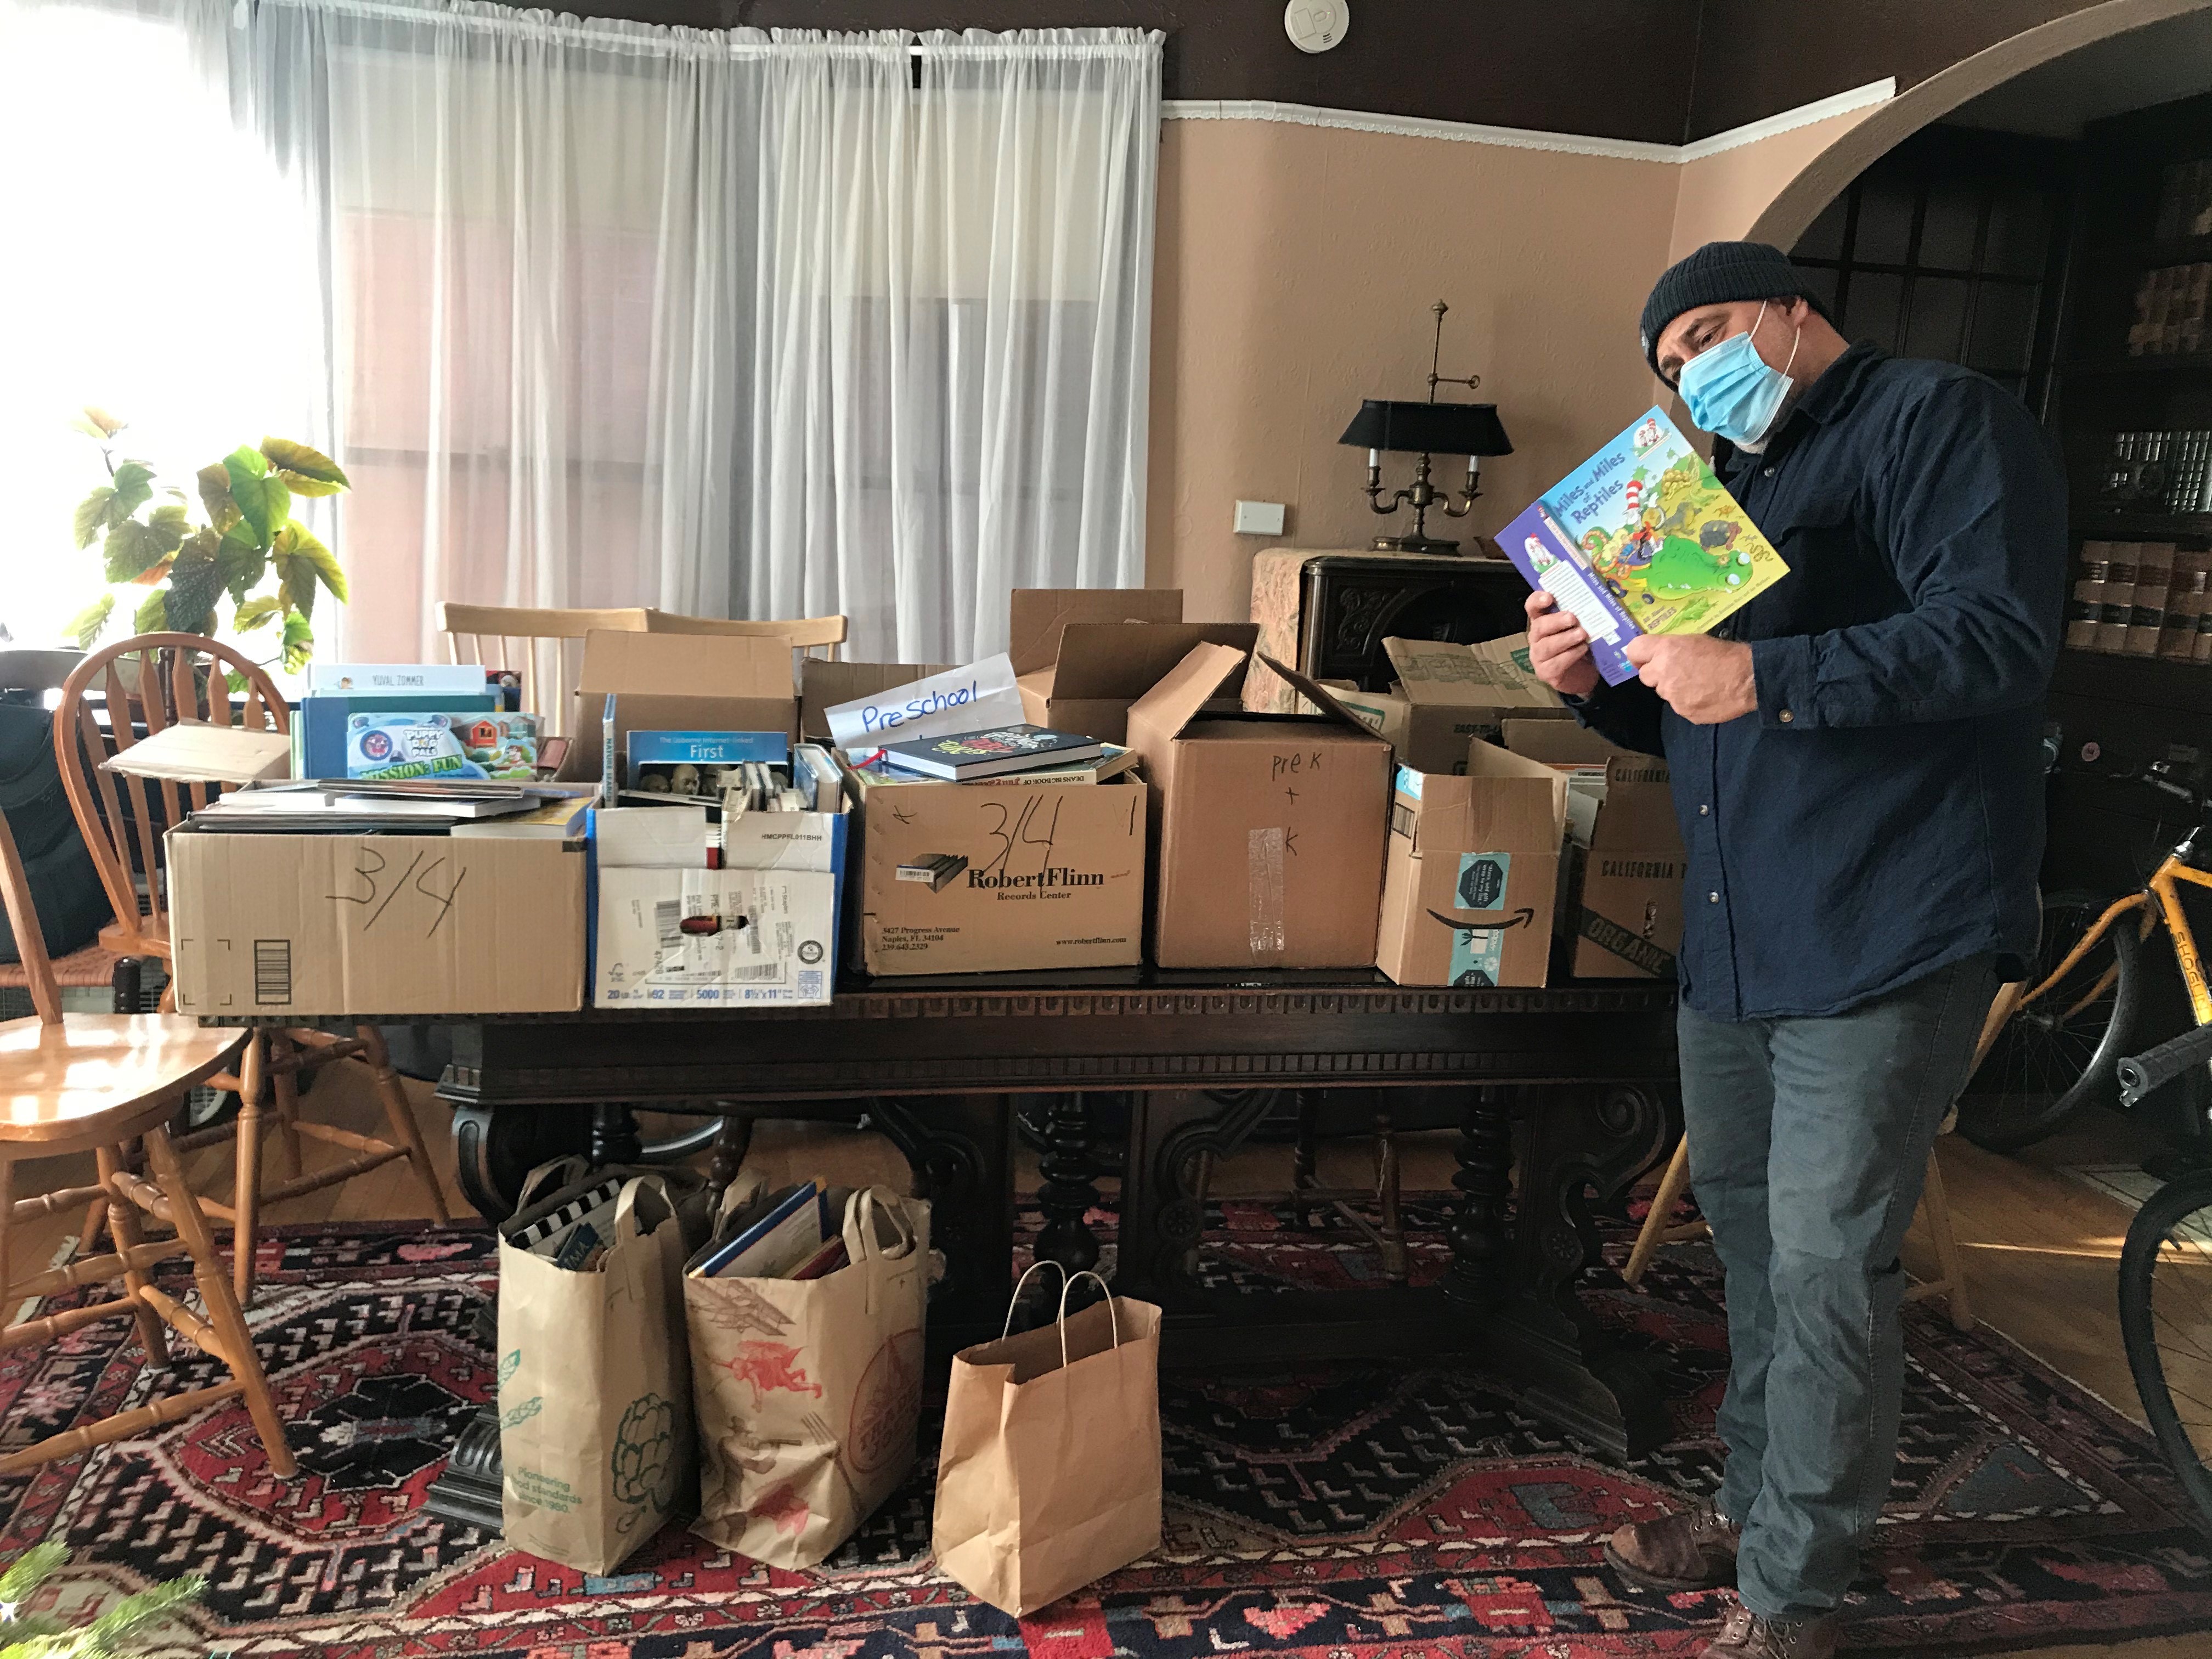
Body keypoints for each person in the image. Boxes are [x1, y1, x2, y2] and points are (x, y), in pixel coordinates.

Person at [1525, 240, 2064, 1659]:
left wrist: (1757, 667)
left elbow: (2000, 639)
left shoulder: (1941, 421)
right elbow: (1694, 713)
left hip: (1889, 922)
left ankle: (1796, 1596)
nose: (1694, 369)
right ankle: (1754, 1512)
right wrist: (1597, 684)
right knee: (1758, 1254)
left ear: (1788, 310)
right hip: (1740, 939)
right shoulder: (1719, 488)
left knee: (1828, 1263)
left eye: (1705, 332)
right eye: (1667, 363)